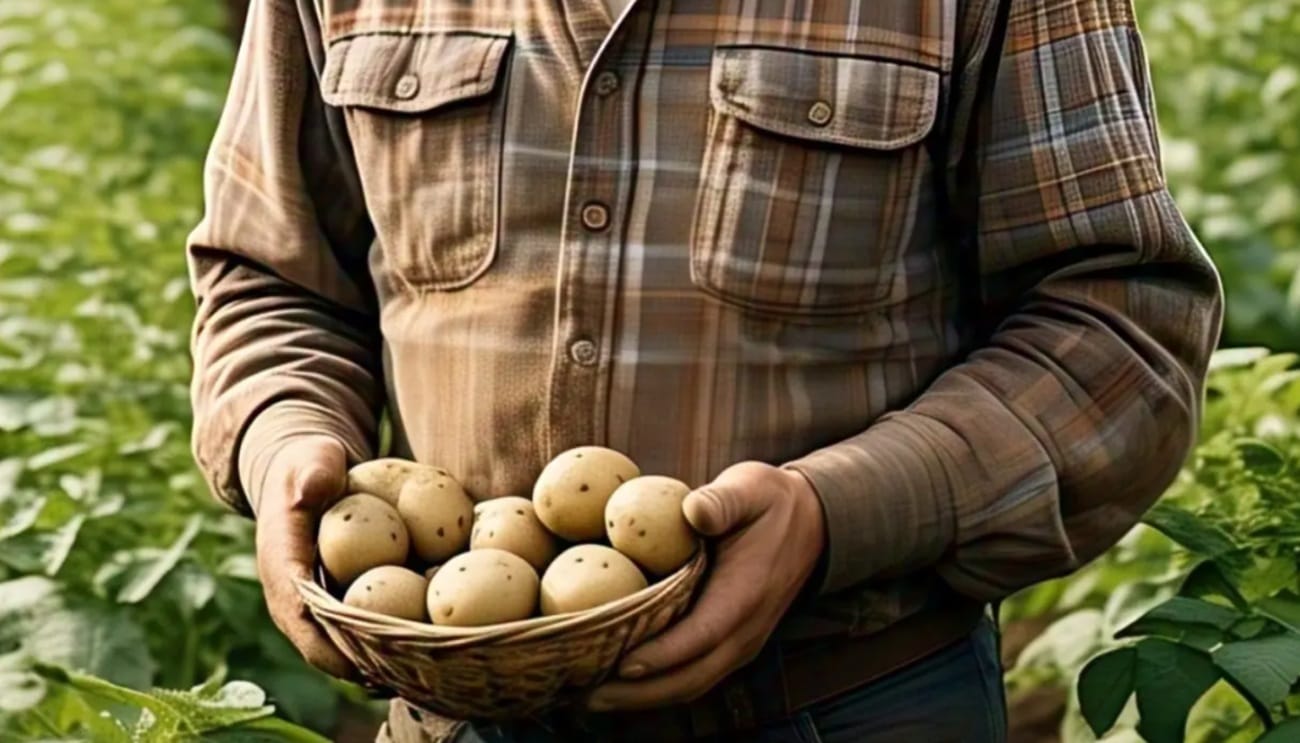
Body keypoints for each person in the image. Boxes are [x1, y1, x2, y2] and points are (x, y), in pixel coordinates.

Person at [186, 0, 1223, 740]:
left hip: (845, 702)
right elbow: (271, 275)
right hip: (453, 711)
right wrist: (286, 441)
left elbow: (1119, 322)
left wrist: (834, 512)